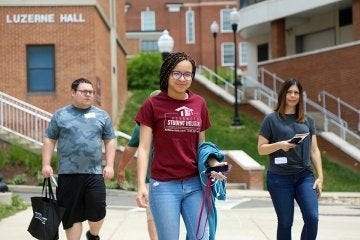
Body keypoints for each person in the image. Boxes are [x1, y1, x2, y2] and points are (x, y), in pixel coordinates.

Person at [135, 51, 227, 240]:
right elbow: (143, 148)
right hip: (164, 185)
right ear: (167, 73)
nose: (182, 78)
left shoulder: (199, 103)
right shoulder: (152, 105)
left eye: (188, 74)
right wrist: (141, 185)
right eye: (177, 73)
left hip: (195, 184)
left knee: (201, 237)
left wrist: (212, 165)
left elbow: (202, 146)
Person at [42, 78, 116, 240]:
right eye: (84, 92)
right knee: (71, 216)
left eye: (91, 92)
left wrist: (110, 165)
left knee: (98, 210)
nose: (88, 95)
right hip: (68, 174)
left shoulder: (101, 115)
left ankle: (93, 234)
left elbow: (110, 139)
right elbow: (49, 139)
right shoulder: (60, 115)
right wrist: (46, 164)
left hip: (94, 173)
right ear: (73, 93)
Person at [257, 78, 324, 240]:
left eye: (296, 93)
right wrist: (280, 145)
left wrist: (320, 177)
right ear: (283, 94)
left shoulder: (307, 120)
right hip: (279, 178)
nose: (293, 96)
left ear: (300, 96)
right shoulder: (271, 119)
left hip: (304, 176)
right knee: (286, 222)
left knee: (312, 217)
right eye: (289, 92)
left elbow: (314, 150)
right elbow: (261, 149)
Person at [117, 90, 161, 240]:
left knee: (153, 217)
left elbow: (130, 148)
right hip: (153, 178)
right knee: (153, 216)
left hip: (157, 178)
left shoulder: (145, 124)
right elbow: (132, 148)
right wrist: (121, 168)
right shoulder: (143, 125)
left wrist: (121, 168)